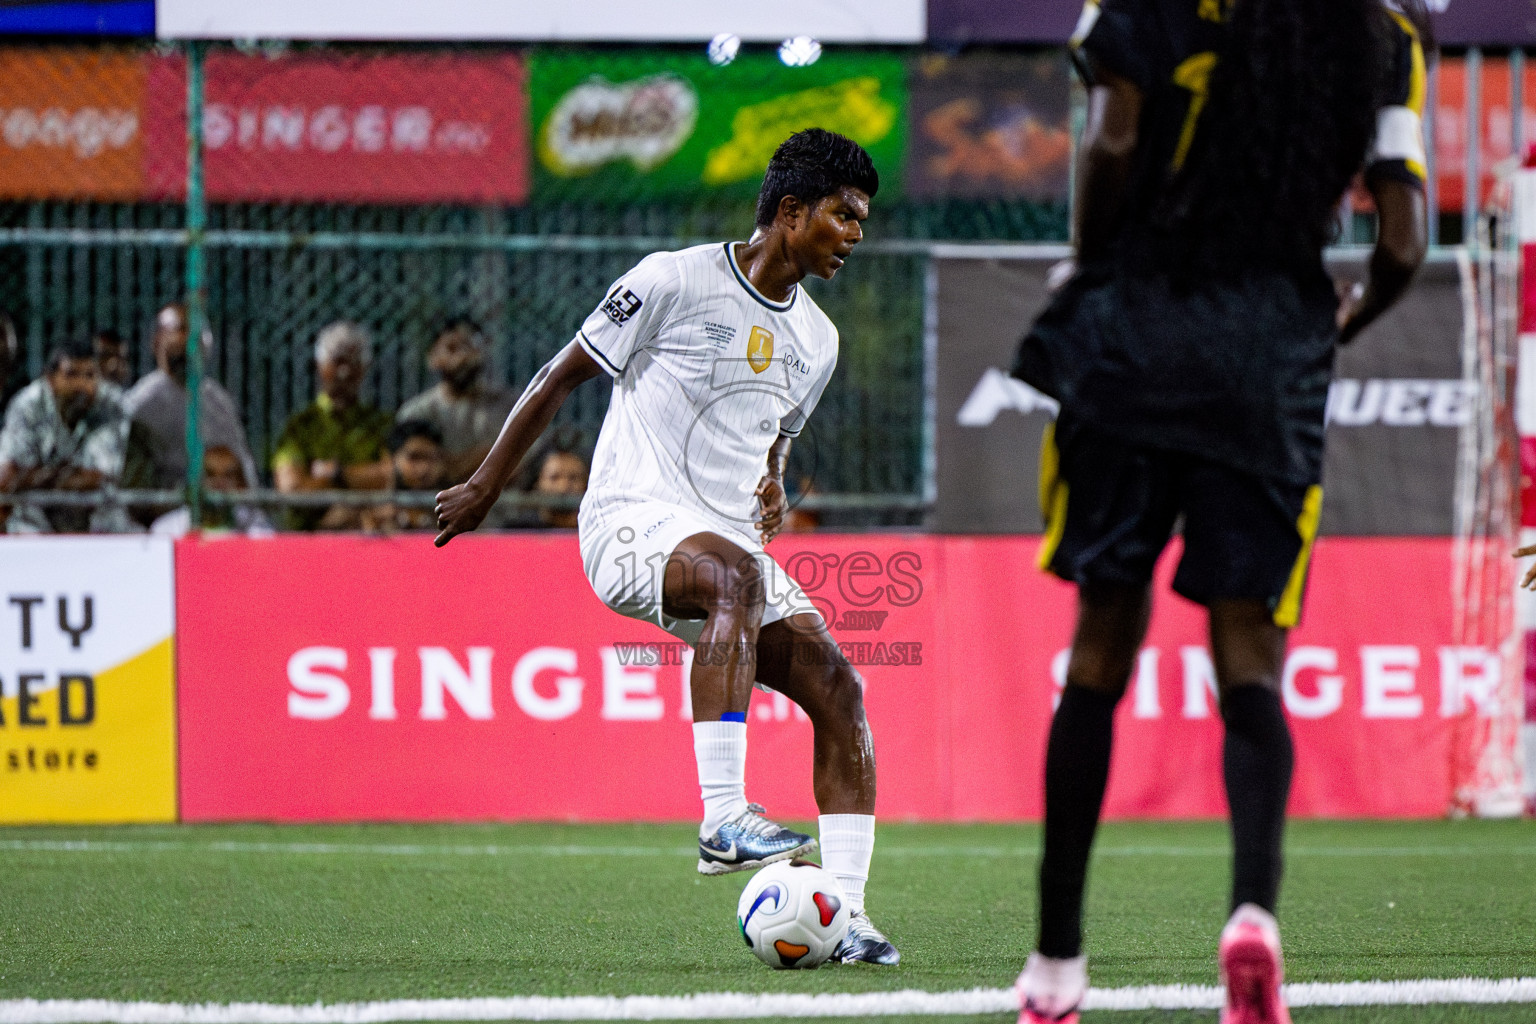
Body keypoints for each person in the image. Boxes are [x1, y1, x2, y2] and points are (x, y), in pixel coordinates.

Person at [1009, 2, 1431, 1022]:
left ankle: (1056, 968)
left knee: (1100, 651)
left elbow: (1111, 140)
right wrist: (1338, 322)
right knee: (1251, 658)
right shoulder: (1383, 33)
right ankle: (1251, 916)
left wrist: (1091, 269)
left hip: (1134, 337)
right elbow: (1406, 242)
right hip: (1271, 354)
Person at [434, 129, 898, 965]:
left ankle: (849, 915)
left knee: (840, 686)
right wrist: (485, 487)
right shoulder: (669, 279)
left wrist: (774, 480)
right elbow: (558, 376)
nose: (856, 235)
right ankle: (723, 816)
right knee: (735, 583)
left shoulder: (819, 342)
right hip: (627, 521)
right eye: (844, 216)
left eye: (862, 220)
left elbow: (778, 433)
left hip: (727, 551)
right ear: (791, 212)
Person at [123, 303, 256, 497]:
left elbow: (243, 464)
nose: (195, 339)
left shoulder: (217, 398)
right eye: (182, 329)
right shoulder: (142, 402)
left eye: (201, 332)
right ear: (157, 341)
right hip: (169, 512)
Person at [0, 337, 130, 534]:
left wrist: (38, 476)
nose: (82, 384)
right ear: (50, 379)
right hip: (35, 515)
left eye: (90, 375)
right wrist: (70, 475)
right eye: (71, 375)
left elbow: (97, 478)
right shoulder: (27, 405)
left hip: (95, 513)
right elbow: (10, 477)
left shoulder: (110, 405)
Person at [271, 321, 392, 531]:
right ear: (320, 365)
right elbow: (291, 490)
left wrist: (335, 474)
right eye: (338, 361)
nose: (345, 371)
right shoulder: (300, 427)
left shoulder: (381, 424)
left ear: (365, 368)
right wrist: (359, 483)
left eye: (354, 361)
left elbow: (391, 477)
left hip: (368, 533)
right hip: (309, 534)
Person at [396, 317, 516, 484]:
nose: (462, 357)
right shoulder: (416, 412)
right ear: (432, 358)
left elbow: (520, 465)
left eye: (470, 347)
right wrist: (488, 458)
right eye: (452, 349)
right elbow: (419, 469)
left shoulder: (509, 406)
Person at [150, 445, 274, 537]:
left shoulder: (256, 526)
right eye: (209, 474)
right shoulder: (167, 529)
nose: (218, 483)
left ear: (240, 485)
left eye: (228, 476)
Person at [356, 419, 450, 533]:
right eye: (414, 457)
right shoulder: (360, 505)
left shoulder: (453, 509)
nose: (424, 468)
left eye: (432, 458)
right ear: (390, 458)